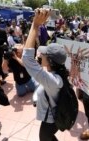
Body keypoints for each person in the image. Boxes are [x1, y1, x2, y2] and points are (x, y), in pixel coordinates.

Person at [22, 8, 68, 141]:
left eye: (44, 54)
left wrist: (35, 25)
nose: (40, 54)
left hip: (50, 120)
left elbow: (27, 59)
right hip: (54, 115)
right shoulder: (59, 72)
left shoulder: (51, 79)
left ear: (50, 61)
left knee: (45, 138)